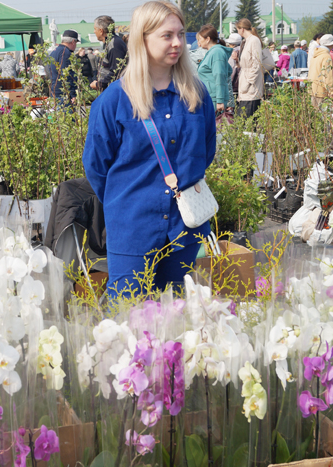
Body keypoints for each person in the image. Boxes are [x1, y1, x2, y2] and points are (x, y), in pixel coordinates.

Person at [83, 1, 216, 297]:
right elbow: (96, 167)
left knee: (178, 315)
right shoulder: (114, 102)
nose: (178, 43)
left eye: (181, 34)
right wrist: (128, 201)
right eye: (167, 35)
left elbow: (205, 152)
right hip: (133, 229)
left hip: (185, 228)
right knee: (127, 317)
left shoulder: (196, 95)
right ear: (142, 39)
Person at [196, 24, 234, 112]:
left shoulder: (217, 52)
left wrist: (220, 100)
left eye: (200, 39)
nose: (199, 43)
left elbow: (219, 75)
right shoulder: (212, 53)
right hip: (209, 96)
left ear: (208, 39)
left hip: (214, 99)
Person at [91, 15, 128, 91]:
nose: (94, 31)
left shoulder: (115, 44)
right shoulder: (109, 43)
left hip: (115, 90)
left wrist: (99, 84)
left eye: (95, 29)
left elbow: (117, 71)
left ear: (101, 31)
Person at [235, 18, 263, 117]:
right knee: (243, 120)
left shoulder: (254, 40)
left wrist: (249, 81)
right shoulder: (245, 41)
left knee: (247, 120)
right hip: (245, 86)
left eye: (237, 29)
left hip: (251, 87)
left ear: (242, 29)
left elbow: (257, 63)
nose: (237, 32)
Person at [46, 30, 79, 102]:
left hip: (54, 90)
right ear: (73, 41)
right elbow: (66, 74)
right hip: (63, 93)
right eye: (76, 43)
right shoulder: (65, 53)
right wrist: (72, 94)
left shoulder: (54, 52)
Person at [308, 34, 333, 108]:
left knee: (315, 115)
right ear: (330, 44)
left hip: (313, 88)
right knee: (323, 115)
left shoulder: (315, 55)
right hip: (322, 90)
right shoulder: (326, 56)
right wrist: (331, 91)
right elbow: (327, 75)